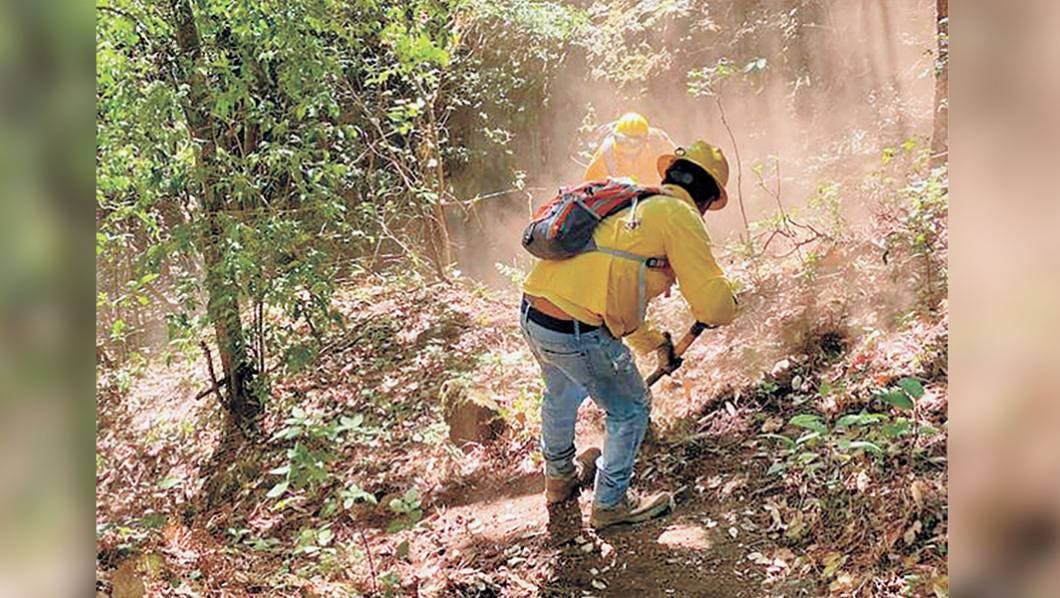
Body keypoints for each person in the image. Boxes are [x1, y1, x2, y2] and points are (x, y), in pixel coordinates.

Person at [520, 140, 738, 530]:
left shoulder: (633, 203)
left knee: (561, 392)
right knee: (630, 406)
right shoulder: (678, 215)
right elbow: (715, 306)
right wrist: (729, 302)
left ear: (670, 174)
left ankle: (559, 481)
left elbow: (616, 306)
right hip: (576, 330)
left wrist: (657, 346)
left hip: (536, 314)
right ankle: (611, 504)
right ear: (706, 198)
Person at [583, 112, 676, 184]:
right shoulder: (607, 154)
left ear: (645, 140)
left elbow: (682, 163)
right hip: (624, 203)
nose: (625, 145)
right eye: (621, 139)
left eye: (632, 141)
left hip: (656, 197)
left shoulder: (657, 142)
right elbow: (589, 186)